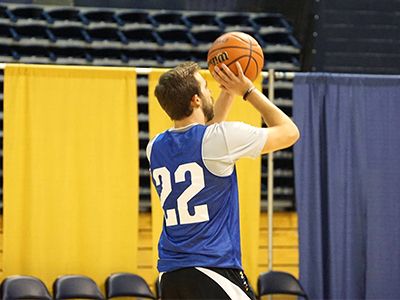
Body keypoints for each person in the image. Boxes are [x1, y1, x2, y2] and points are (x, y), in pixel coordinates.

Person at [146, 61, 299, 300]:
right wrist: (247, 91)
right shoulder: (220, 139)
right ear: (196, 100)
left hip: (170, 276)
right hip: (212, 269)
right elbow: (289, 132)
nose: (210, 92)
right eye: (206, 88)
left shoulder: (154, 147)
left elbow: (206, 137)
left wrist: (228, 93)